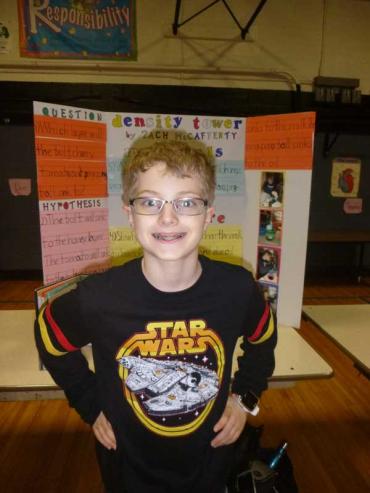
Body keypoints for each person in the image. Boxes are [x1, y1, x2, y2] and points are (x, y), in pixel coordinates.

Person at [35, 141, 277, 493]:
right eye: (150, 202)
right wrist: (90, 404)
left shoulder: (236, 289)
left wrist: (244, 399)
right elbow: (49, 338)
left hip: (209, 465)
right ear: (130, 214)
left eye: (187, 202)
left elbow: (263, 341)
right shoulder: (99, 297)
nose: (168, 218)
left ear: (209, 214)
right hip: (129, 469)